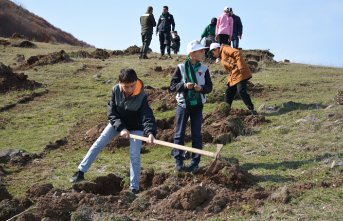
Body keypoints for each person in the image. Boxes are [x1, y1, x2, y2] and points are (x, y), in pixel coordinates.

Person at [70, 68, 157, 194]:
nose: (129, 89)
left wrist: (150, 133)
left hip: (136, 127)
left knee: (134, 155)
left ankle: (134, 188)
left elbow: (147, 115)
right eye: (125, 87)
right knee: (99, 143)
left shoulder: (142, 96)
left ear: (135, 82)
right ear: (120, 83)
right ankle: (80, 172)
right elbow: (112, 113)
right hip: (118, 123)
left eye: (131, 86)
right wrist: (121, 128)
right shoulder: (115, 90)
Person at [170, 40, 213, 173]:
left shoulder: (204, 69)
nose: (203, 53)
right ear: (192, 54)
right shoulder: (181, 68)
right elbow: (172, 86)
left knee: (197, 134)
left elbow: (209, 87)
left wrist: (201, 88)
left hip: (198, 106)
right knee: (179, 133)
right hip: (183, 105)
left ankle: (195, 162)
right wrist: (183, 86)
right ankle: (179, 161)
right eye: (201, 51)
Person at [209, 43, 257, 115]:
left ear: (216, 49)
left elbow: (236, 52)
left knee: (241, 91)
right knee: (229, 93)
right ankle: (224, 112)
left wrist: (240, 66)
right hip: (234, 76)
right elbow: (231, 67)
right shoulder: (221, 56)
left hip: (240, 72)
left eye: (213, 52)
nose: (213, 55)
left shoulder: (225, 48)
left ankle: (251, 110)